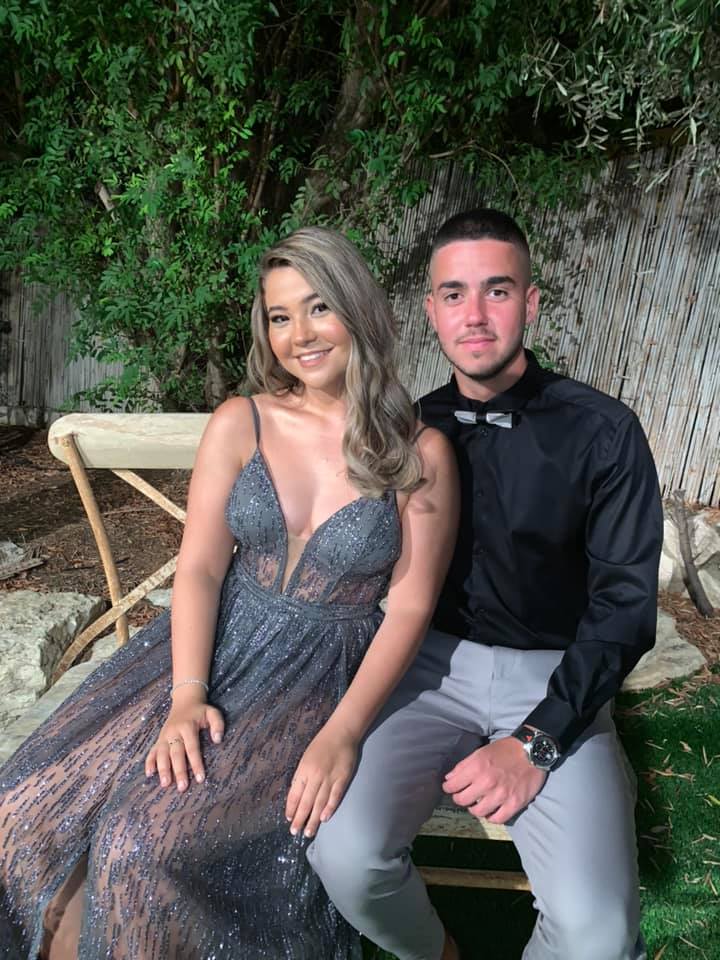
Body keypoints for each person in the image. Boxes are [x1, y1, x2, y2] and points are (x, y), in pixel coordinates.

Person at [0, 227, 458, 960]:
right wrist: (187, 695)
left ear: (358, 309)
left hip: (316, 678)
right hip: (200, 652)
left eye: (318, 307)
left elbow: (408, 607)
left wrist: (342, 734)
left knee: (139, 840)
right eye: (280, 316)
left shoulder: (420, 453)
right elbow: (201, 570)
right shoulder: (240, 420)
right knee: (25, 806)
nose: (299, 335)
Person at [308, 208, 664, 960]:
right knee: (342, 854)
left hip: (557, 678)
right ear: (431, 311)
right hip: (426, 669)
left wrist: (534, 743)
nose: (474, 314)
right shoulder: (405, 431)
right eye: (454, 294)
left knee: (598, 933)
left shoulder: (604, 432)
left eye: (497, 291)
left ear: (529, 303)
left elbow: (625, 611)